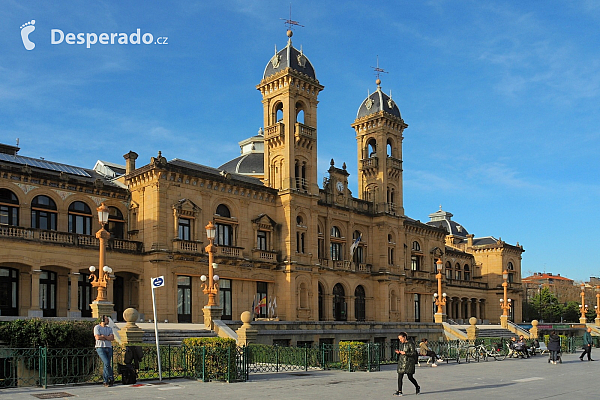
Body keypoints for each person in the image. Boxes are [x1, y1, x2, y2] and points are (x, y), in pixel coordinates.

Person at [394, 332, 420, 396]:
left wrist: (405, 353)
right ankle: (400, 391)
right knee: (400, 377)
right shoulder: (401, 344)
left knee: (410, 377)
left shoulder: (411, 344)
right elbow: (401, 351)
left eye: (401, 338)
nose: (400, 340)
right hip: (402, 362)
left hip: (409, 363)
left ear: (404, 337)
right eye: (399, 339)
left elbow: (413, 353)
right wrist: (399, 352)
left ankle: (417, 386)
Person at [94, 315, 115, 387]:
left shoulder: (109, 328)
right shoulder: (97, 327)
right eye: (106, 319)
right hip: (100, 347)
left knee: (107, 364)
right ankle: (109, 378)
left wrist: (104, 336)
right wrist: (107, 337)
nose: (108, 321)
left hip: (108, 347)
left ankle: (108, 380)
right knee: (106, 362)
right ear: (102, 320)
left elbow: (112, 338)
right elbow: (97, 337)